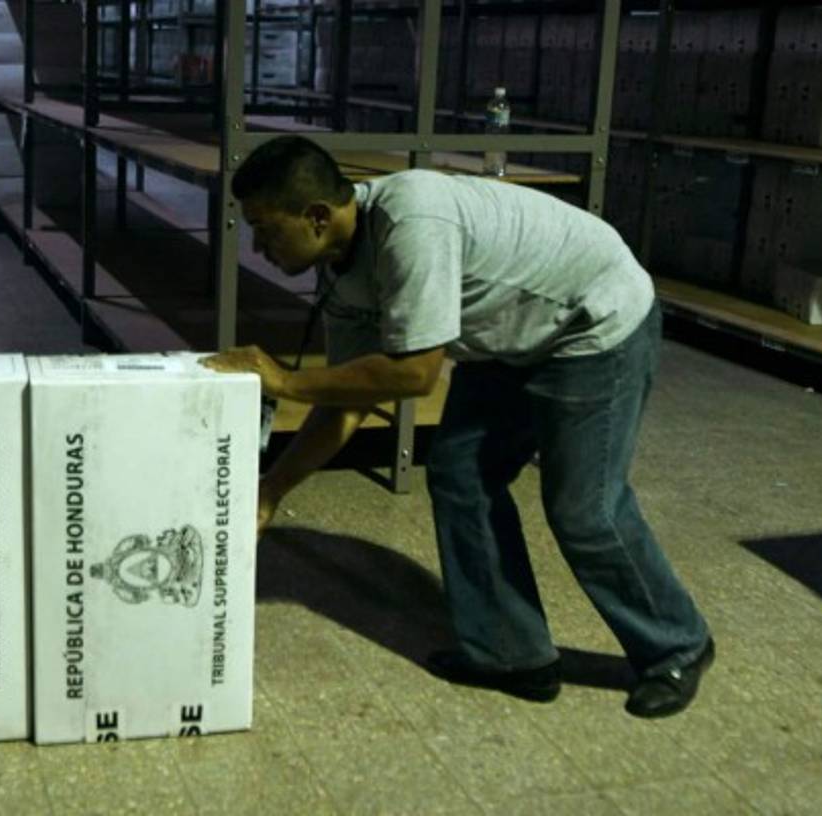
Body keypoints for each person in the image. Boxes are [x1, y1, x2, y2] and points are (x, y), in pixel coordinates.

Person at [201, 135, 713, 718]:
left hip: (593, 321)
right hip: (510, 334)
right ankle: (511, 653)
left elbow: (414, 375)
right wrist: (271, 490)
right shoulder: (341, 268)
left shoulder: (411, 224)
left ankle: (678, 644)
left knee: (584, 509)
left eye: (266, 228)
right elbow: (347, 398)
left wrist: (286, 382)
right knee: (460, 474)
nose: (257, 245)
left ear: (317, 217)